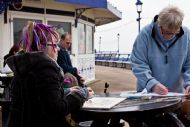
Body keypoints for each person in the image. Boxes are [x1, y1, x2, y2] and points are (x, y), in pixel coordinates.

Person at [6, 21, 90, 127]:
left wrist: (68, 91)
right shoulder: (45, 68)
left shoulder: (24, 66)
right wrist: (82, 94)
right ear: (40, 46)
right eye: (54, 45)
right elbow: (56, 109)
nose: (57, 49)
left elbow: (39, 98)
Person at [130, 5, 190, 127]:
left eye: (173, 33)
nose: (168, 36)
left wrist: (189, 83)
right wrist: (152, 83)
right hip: (148, 96)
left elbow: (189, 63)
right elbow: (138, 63)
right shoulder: (145, 34)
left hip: (176, 97)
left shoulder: (187, 34)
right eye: (166, 32)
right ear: (159, 23)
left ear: (179, 28)